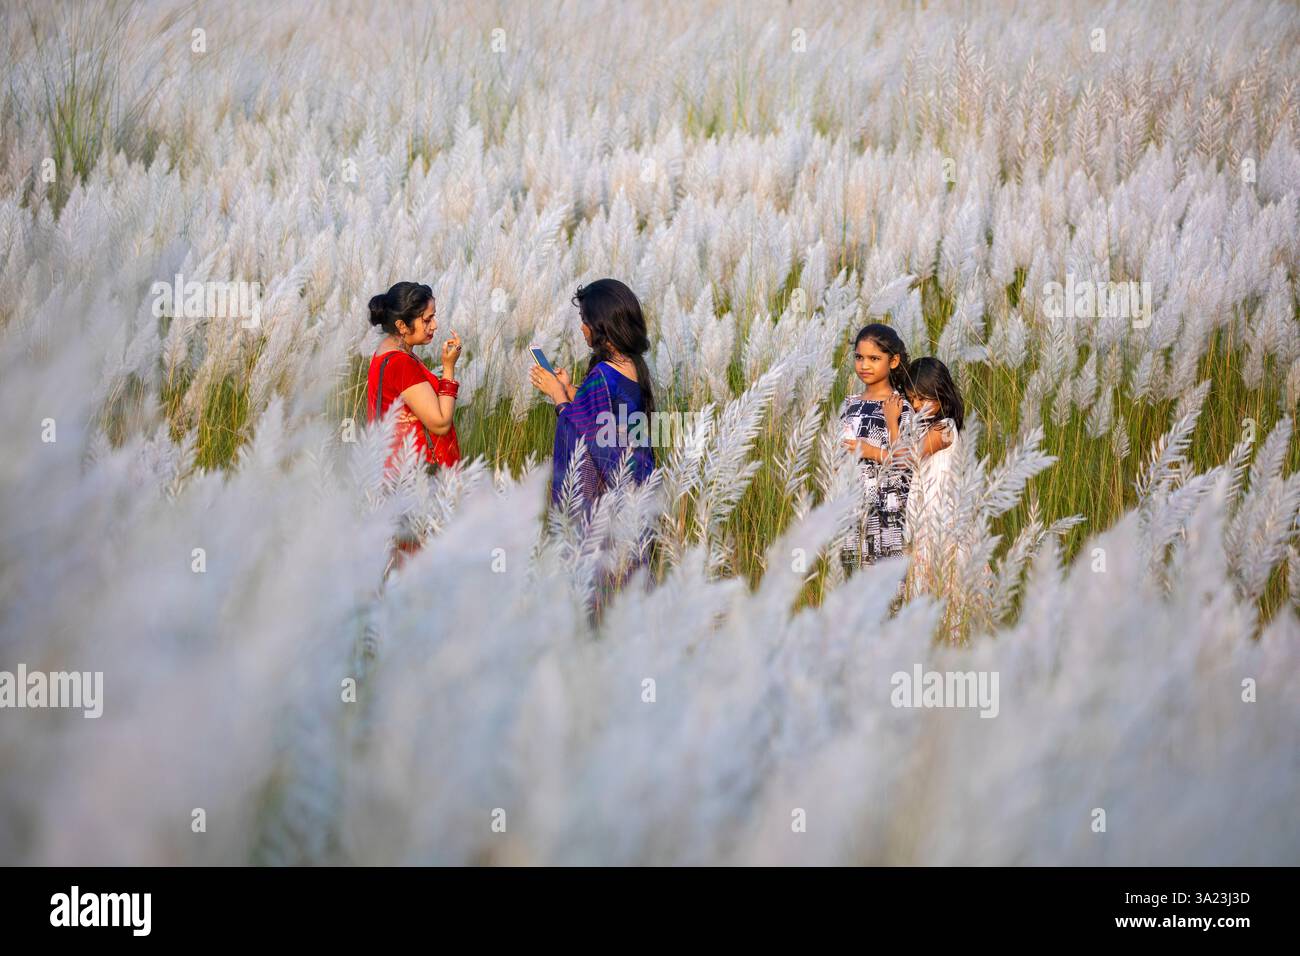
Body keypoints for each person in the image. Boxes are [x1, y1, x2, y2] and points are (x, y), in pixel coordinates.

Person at [366, 281, 462, 575]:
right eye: (427, 319)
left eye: (433, 316)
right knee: (418, 572)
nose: (434, 325)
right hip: (416, 484)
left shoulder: (388, 353)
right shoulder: (401, 363)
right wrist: (448, 369)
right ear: (402, 325)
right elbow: (440, 422)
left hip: (397, 478)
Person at [838, 323, 914, 575]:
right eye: (859, 358)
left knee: (884, 582)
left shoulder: (900, 405)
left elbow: (905, 462)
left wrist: (871, 452)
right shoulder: (850, 403)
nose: (864, 365)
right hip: (852, 505)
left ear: (893, 362)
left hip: (886, 508)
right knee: (851, 576)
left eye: (874, 358)